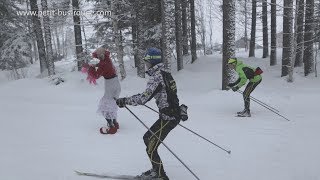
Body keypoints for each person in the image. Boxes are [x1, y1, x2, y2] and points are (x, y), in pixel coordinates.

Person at [116, 48, 181, 180]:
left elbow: (143, 98)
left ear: (152, 61)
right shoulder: (165, 72)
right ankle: (156, 170)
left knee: (151, 146)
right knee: (148, 139)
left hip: (168, 117)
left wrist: (125, 101)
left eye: (146, 61)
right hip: (170, 114)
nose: (145, 64)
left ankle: (160, 176)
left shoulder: (157, 76)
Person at [85, 47, 121, 134]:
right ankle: (115, 123)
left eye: (98, 55)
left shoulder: (103, 64)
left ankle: (111, 127)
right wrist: (95, 64)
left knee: (105, 106)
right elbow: (101, 64)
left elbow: (96, 75)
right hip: (116, 84)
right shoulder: (107, 59)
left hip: (111, 86)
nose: (98, 57)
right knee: (112, 103)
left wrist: (91, 68)